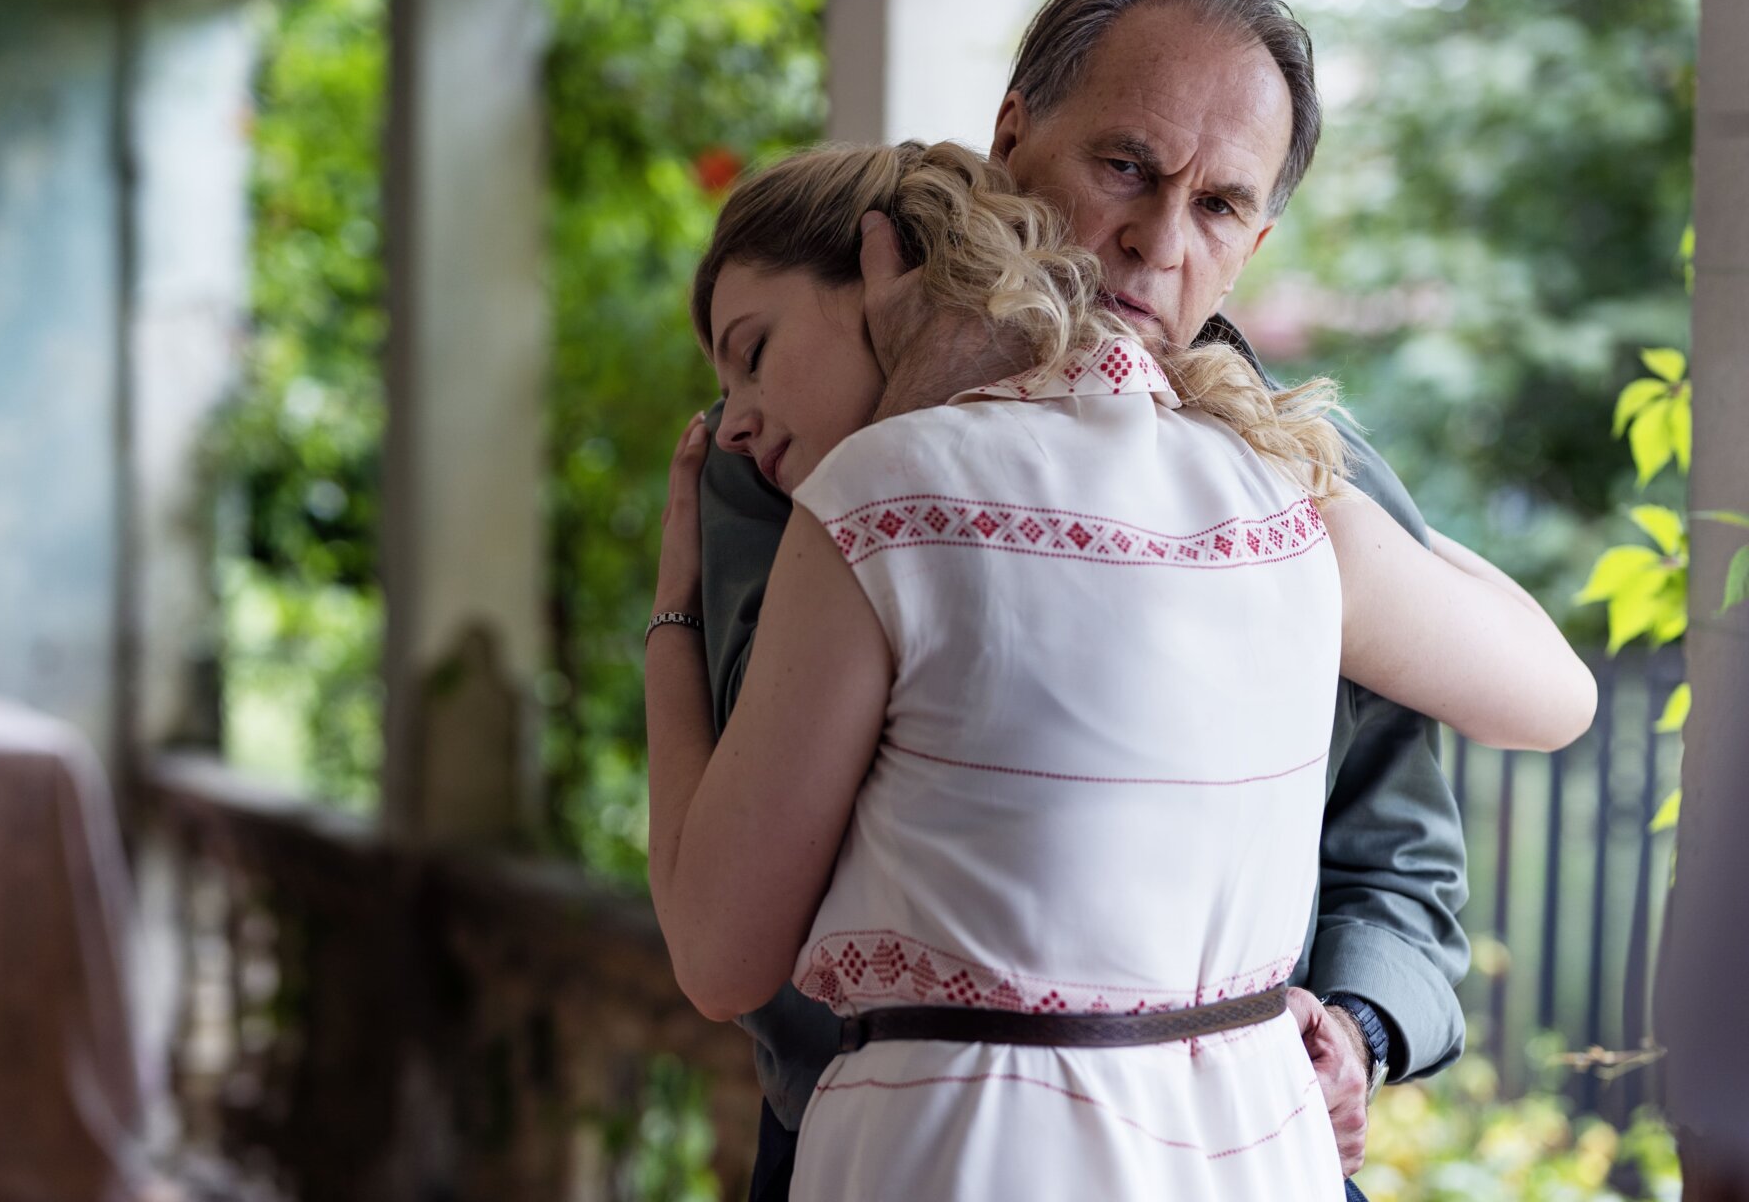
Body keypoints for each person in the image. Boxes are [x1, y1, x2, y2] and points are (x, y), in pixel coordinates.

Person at [643, 139, 1594, 1199]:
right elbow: (1556, 696)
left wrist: (672, 617)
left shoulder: (878, 495)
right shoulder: (1269, 491)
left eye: (755, 352)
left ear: (883, 269)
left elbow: (718, 954)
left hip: (1000, 1147)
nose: (732, 422)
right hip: (1188, 1149)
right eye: (1124, 171)